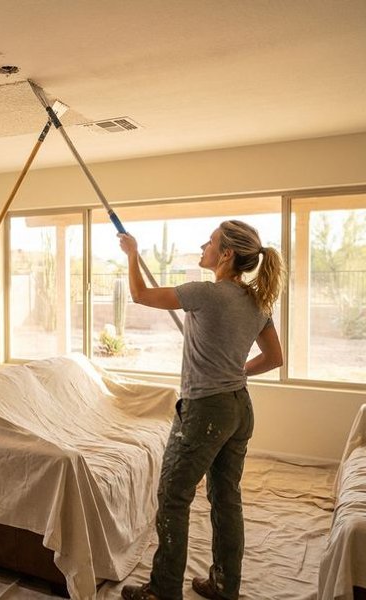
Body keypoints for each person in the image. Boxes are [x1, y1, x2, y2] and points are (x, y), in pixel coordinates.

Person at [119, 220, 284, 600]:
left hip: (206, 411)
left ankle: (163, 591)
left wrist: (132, 254)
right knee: (226, 497)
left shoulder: (206, 293)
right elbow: (275, 358)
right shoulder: (257, 300)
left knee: (172, 496)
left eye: (210, 242)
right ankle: (225, 585)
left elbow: (140, 295)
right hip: (239, 407)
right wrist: (236, 371)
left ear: (226, 254)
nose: (202, 246)